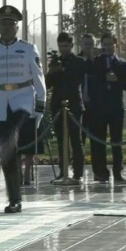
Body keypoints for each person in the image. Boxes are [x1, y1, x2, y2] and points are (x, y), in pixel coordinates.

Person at [0, 5, 46, 214]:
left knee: (9, 143)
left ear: (17, 28)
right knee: (7, 152)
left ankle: (15, 197)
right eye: (3, 24)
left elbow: (38, 78)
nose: (6, 28)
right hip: (0, 103)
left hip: (23, 101)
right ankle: (14, 198)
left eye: (10, 25)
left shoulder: (28, 49)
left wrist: (40, 107)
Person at [88, 33, 126, 183]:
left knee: (116, 141)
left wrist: (117, 80)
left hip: (115, 107)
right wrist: (103, 78)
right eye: (104, 44)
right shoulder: (95, 63)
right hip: (98, 107)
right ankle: (101, 172)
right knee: (98, 141)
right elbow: (91, 82)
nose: (107, 47)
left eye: (110, 44)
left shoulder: (122, 64)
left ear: (116, 45)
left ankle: (118, 172)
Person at [45, 32, 86, 181]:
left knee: (76, 140)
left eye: (66, 46)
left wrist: (65, 70)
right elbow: (48, 84)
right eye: (61, 46)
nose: (64, 49)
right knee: (62, 142)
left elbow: (76, 80)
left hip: (74, 105)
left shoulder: (78, 62)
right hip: (58, 105)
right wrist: (52, 72)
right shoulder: (55, 62)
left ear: (71, 46)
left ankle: (78, 173)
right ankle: (63, 172)